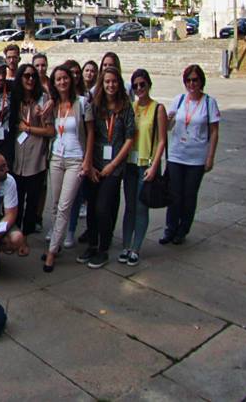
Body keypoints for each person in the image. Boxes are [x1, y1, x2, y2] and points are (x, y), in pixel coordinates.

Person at [79, 66, 135, 270]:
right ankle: (92, 245)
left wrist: (113, 165)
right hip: (94, 165)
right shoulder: (95, 106)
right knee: (92, 207)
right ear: (101, 84)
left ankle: (103, 248)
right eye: (107, 82)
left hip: (114, 167)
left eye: (114, 82)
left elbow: (129, 139)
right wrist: (90, 165)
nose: (111, 85)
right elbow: (89, 134)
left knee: (103, 207)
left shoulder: (125, 107)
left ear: (119, 84)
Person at [42, 65, 95, 273]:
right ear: (54, 84)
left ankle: (53, 251)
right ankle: (56, 242)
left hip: (75, 159)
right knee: (55, 205)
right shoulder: (54, 105)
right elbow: (49, 128)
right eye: (58, 79)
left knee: (65, 205)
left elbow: (90, 133)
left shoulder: (82, 103)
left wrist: (87, 160)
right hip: (56, 158)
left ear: (71, 80)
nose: (62, 82)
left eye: (65, 78)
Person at [162, 63, 219, 245]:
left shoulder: (209, 103)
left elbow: (214, 131)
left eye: (195, 80)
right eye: (188, 80)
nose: (191, 84)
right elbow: (169, 127)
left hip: (196, 158)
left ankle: (183, 229)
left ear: (201, 81)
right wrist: (167, 120)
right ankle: (170, 228)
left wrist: (210, 157)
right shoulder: (179, 100)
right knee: (174, 194)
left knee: (189, 195)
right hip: (177, 155)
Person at [121, 69, 166, 266]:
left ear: (149, 85)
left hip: (145, 164)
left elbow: (162, 140)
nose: (139, 88)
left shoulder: (158, 109)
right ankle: (125, 245)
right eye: (136, 85)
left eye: (143, 85)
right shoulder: (131, 107)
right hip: (130, 163)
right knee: (129, 206)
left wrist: (155, 166)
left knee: (141, 207)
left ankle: (135, 248)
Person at [11, 62, 54, 236]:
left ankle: (27, 231)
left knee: (33, 196)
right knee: (17, 196)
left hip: (36, 156)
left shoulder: (43, 100)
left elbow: (50, 131)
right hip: (17, 155)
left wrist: (29, 128)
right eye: (26, 76)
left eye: (33, 76)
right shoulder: (15, 99)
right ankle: (15, 230)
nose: (30, 79)